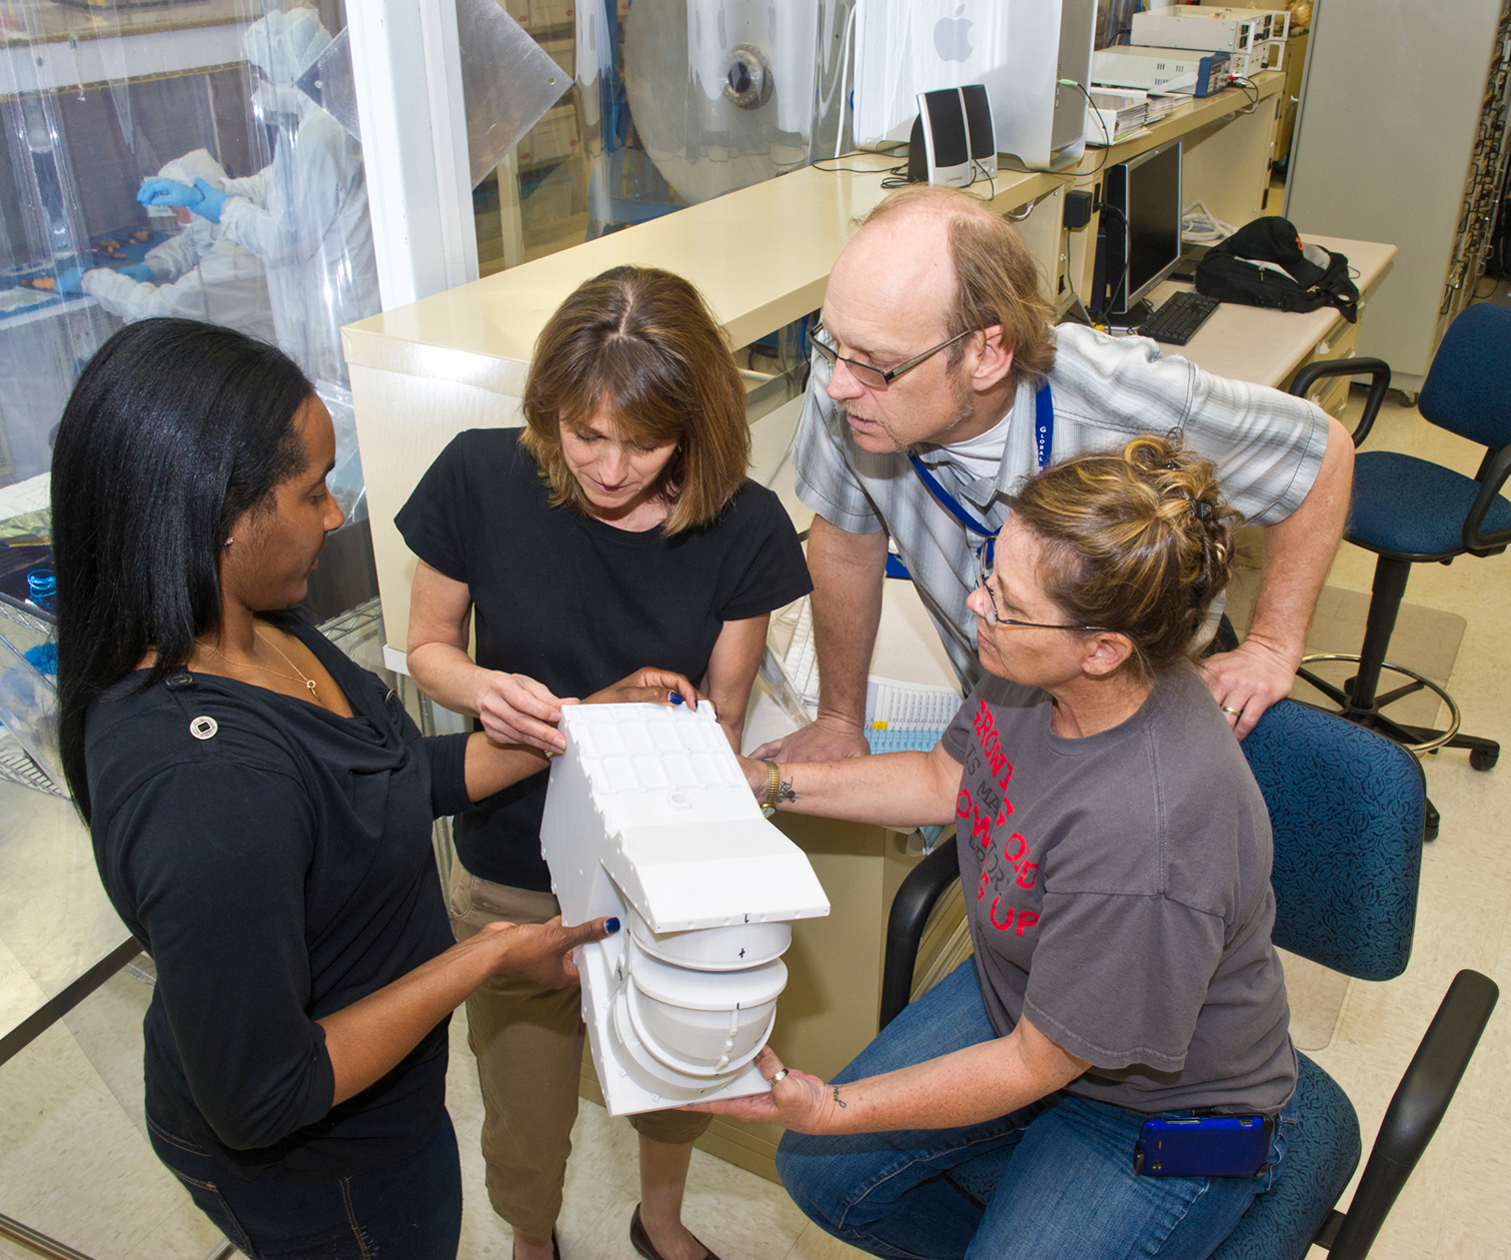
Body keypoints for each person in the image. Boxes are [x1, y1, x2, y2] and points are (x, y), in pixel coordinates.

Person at [52, 317, 618, 1260]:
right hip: (325, 1165)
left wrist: (585, 722)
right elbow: (266, 1095)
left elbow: (391, 783)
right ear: (220, 515)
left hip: (384, 1101)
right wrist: (483, 958)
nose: (334, 514)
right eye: (312, 491)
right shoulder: (206, 793)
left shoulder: (259, 619)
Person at [701, 435, 1299, 1260]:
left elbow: (1034, 1065)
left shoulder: (1147, 837)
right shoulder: (1036, 663)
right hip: (1025, 998)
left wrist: (839, 1106)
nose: (978, 605)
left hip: (1157, 1106)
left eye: (1005, 601)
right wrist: (761, 781)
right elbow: (945, 778)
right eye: (992, 573)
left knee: (830, 1134)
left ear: (1103, 648)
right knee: (820, 1171)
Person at [394, 265, 814, 1260]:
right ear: (548, 411)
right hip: (513, 865)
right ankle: (532, 1238)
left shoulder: (744, 527)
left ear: (697, 424)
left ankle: (659, 1219)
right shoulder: (476, 477)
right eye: (586, 436)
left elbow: (718, 718)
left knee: (674, 1081)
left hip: (662, 865)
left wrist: (650, 726)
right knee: (524, 1107)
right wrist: (477, 688)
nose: (611, 469)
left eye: (643, 443)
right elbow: (427, 647)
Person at [757, 184, 1353, 766]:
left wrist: (1273, 647)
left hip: (1138, 709)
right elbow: (844, 541)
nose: (838, 385)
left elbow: (1324, 454)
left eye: (880, 365)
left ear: (987, 353)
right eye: (834, 344)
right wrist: (839, 720)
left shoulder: (1129, 401)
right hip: (999, 699)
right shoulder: (851, 375)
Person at [137, 8, 376, 387]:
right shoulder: (307, 125)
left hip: (341, 308)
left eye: (262, 75)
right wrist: (210, 193)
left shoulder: (319, 135)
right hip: (328, 304)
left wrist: (223, 208)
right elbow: (274, 184)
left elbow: (283, 240)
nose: (258, 87)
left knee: (345, 405)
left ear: (288, 71)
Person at [75, 149, 277, 344]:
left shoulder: (235, 259)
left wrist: (90, 280)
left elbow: (156, 312)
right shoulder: (237, 228)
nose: (177, 217)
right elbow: (192, 244)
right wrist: (151, 267)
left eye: (176, 208)